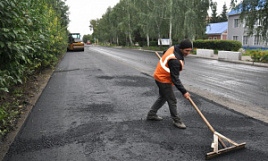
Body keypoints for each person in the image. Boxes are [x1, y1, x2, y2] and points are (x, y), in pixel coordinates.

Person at [146, 39, 192, 129]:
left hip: (159, 75)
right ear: (181, 49)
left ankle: (151, 114)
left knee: (163, 97)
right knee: (172, 100)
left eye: (190, 50)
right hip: (163, 79)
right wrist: (184, 92)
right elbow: (175, 79)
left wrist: (166, 60)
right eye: (186, 51)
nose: (188, 53)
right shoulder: (175, 61)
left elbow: (165, 52)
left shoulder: (174, 48)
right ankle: (177, 121)